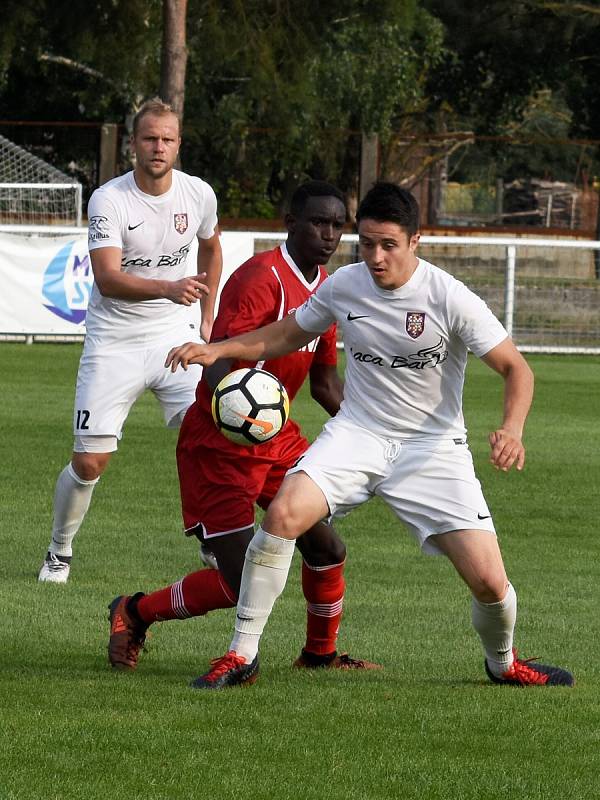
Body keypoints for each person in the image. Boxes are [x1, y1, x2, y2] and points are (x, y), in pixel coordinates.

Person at [165, 181, 574, 690]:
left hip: (431, 450)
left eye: (388, 245)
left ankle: (504, 662)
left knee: (490, 582)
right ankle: (241, 654)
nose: (375, 257)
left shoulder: (448, 296)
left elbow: (516, 368)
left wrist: (512, 428)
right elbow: (288, 333)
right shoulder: (345, 285)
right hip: (358, 434)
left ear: (415, 242)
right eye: (367, 243)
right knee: (283, 515)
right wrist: (219, 349)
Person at [107, 180, 379, 675]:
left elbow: (324, 382)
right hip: (219, 446)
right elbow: (218, 362)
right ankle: (134, 611)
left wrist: (373, 431)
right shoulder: (261, 278)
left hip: (277, 441)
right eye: (319, 221)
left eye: (338, 224)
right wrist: (237, 413)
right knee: (240, 584)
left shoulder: (328, 289)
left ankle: (319, 655)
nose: (329, 233)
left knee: (326, 546)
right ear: (290, 222)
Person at [38, 97, 223, 583]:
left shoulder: (199, 194)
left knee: (211, 434)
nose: (158, 147)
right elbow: (107, 278)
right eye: (149, 138)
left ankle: (214, 536)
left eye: (167, 139)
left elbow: (211, 246)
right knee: (90, 461)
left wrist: (207, 320)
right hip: (114, 341)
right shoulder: (110, 198)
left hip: (173, 337)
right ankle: (59, 551)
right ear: (133, 144)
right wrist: (169, 286)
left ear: (179, 145)